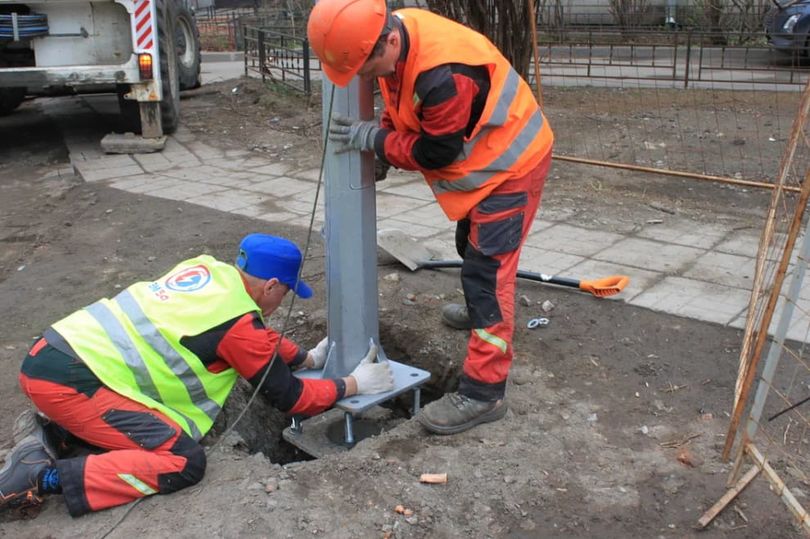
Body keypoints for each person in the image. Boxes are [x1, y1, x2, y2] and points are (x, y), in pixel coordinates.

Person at [0, 233, 394, 515]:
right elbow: (289, 397)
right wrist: (354, 384)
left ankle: (52, 433)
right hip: (73, 383)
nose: (284, 300)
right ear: (271, 285)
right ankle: (42, 477)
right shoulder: (239, 325)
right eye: (286, 292)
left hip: (53, 353)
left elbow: (245, 336)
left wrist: (306, 357)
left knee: (134, 429)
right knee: (183, 461)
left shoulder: (207, 271)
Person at [307, 1, 554, 435]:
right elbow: (400, 96)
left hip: (513, 164)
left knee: (488, 276)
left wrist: (377, 140)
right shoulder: (395, 37)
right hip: (487, 158)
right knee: (468, 247)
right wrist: (382, 136)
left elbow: (436, 152)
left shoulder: (445, 75)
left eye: (367, 68)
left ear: (389, 40)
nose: (367, 78)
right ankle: (480, 316)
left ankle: (484, 393)